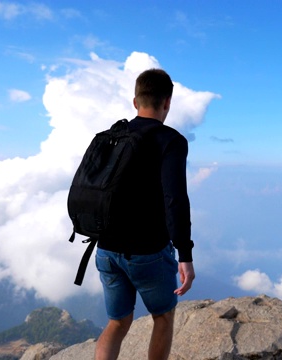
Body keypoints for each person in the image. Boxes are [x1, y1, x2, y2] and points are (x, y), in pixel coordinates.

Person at [94, 68, 195, 360]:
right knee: (162, 318)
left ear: (135, 102)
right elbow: (175, 199)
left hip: (106, 249)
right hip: (148, 252)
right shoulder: (170, 141)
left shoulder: (113, 137)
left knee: (117, 322)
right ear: (167, 103)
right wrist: (185, 256)